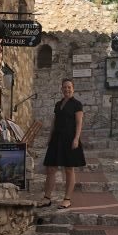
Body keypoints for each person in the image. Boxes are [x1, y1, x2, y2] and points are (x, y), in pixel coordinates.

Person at [39, 78, 86, 209]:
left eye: (69, 87)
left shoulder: (77, 104)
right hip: (56, 138)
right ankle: (47, 198)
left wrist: (76, 138)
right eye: (64, 87)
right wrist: (49, 137)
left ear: (73, 89)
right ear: (61, 89)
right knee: (51, 168)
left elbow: (79, 123)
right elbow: (54, 121)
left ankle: (67, 199)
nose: (67, 89)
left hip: (70, 139)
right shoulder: (58, 104)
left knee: (69, 169)